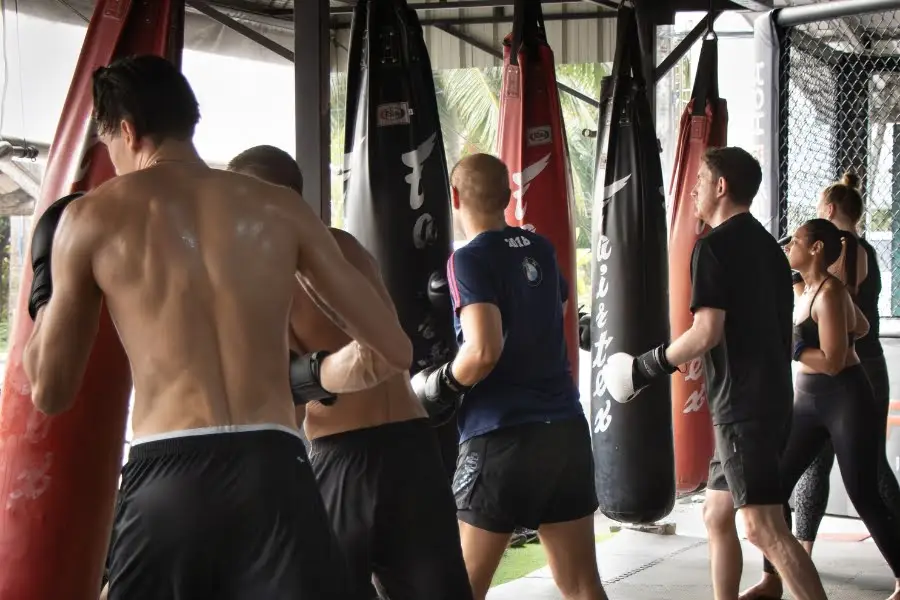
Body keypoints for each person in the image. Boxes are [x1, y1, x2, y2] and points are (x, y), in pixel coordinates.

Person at [24, 55, 413, 600]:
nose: (111, 161)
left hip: (170, 476)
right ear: (189, 120)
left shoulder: (90, 217)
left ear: (128, 131)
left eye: (109, 145)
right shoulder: (280, 208)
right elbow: (393, 350)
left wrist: (44, 290)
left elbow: (50, 390)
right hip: (277, 472)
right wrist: (308, 377)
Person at [226, 145, 474, 600]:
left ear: (252, 197)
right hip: (414, 445)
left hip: (346, 455)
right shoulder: (347, 247)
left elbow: (284, 399)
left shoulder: (270, 265)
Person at [603, 147, 828, 600]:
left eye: (700, 181)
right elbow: (746, 325)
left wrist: (645, 367)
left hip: (742, 406)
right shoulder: (768, 247)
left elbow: (706, 330)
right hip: (767, 398)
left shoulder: (713, 246)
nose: (693, 189)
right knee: (716, 512)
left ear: (721, 187)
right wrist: (701, 348)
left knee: (763, 527)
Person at [410, 153, 605, 600]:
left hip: (502, 438)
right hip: (565, 434)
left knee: (461, 589)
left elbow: (482, 351)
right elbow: (555, 311)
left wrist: (438, 386)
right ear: (508, 195)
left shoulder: (467, 261)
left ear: (454, 197)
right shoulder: (540, 248)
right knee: (580, 585)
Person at [741, 203, 900, 599]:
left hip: (844, 398)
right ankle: (773, 578)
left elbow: (830, 362)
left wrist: (793, 348)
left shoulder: (829, 294)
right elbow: (860, 326)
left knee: (863, 492)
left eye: (795, 241)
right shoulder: (807, 288)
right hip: (808, 402)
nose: (789, 245)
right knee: (775, 487)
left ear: (815, 250)